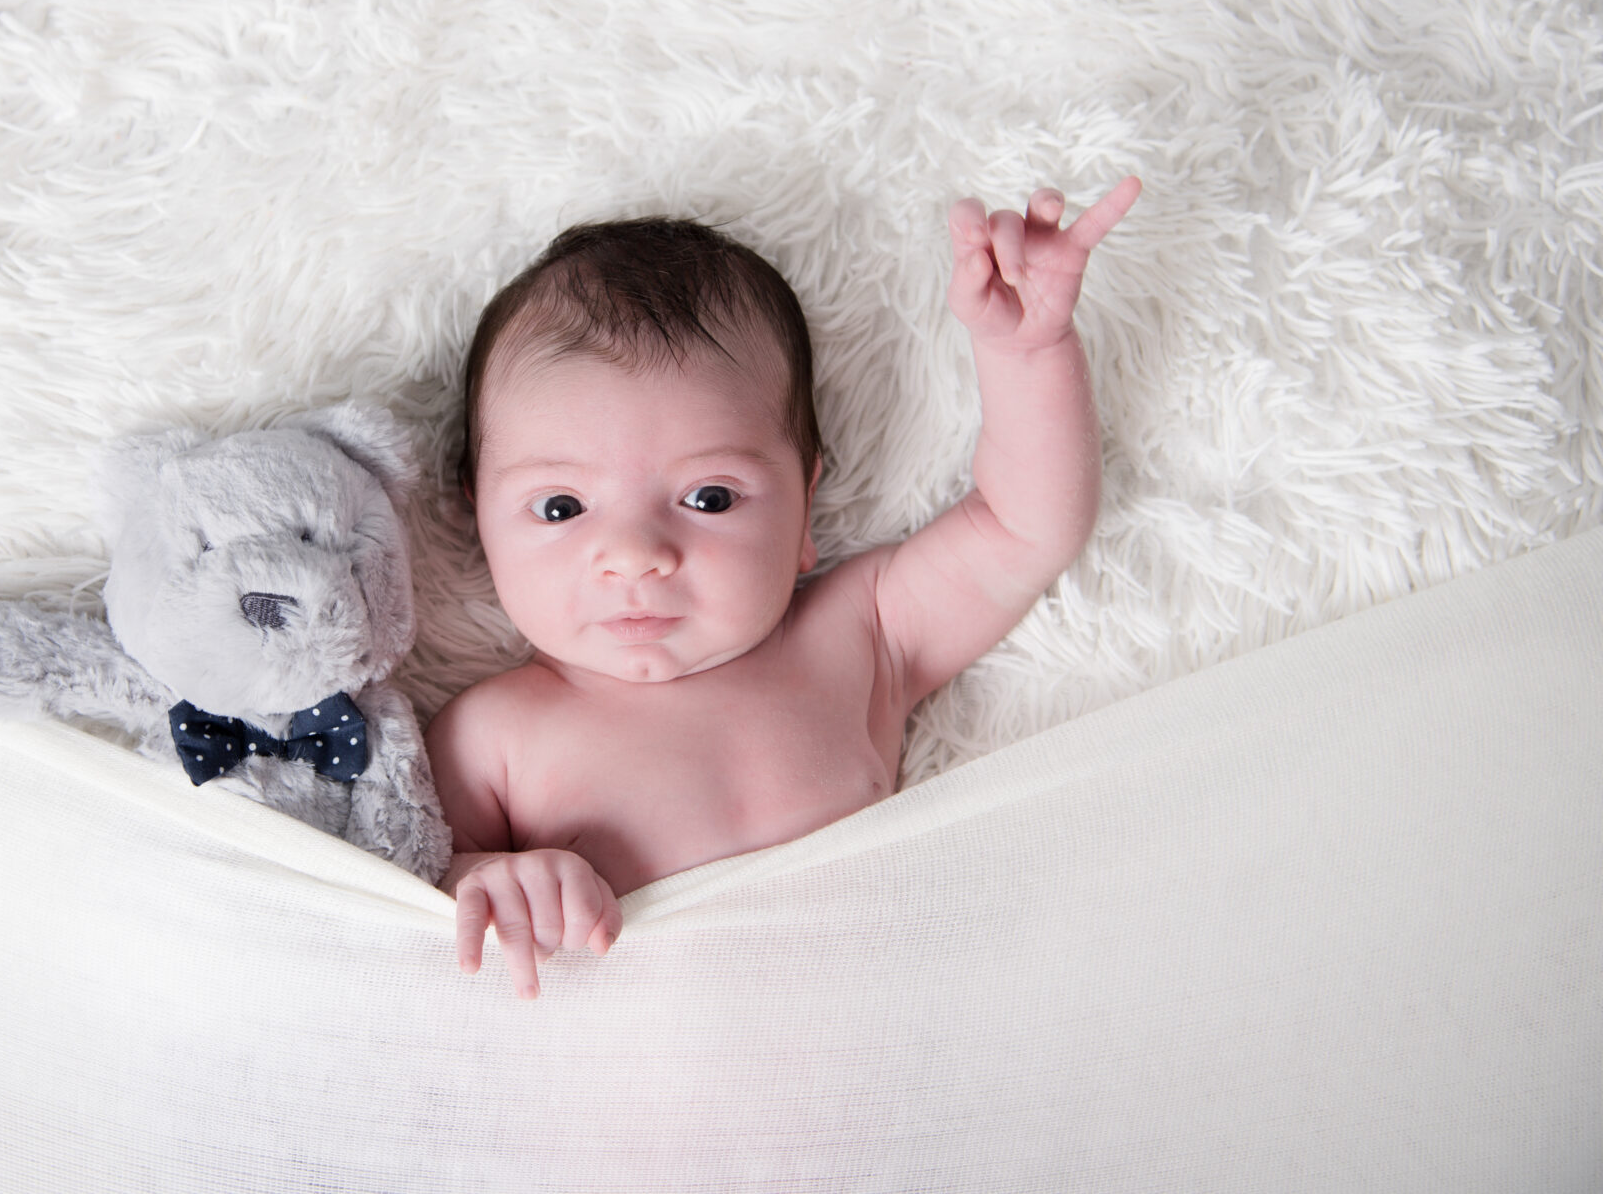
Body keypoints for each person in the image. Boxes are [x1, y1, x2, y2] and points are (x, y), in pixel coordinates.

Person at [427, 179, 1142, 998]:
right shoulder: (490, 739)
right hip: (643, 1103)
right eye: (561, 507)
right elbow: (396, 912)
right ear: (476, 520)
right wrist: (486, 881)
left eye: (710, 497)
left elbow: (1026, 525)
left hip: (902, 1050)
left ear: (806, 508)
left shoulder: (856, 633)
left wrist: (1026, 354)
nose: (633, 554)